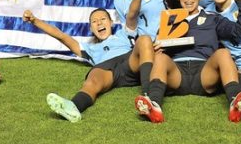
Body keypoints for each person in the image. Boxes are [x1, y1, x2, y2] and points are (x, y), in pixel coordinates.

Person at [133, 0, 241, 123]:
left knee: (223, 53)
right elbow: (159, 51)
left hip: (204, 73)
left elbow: (240, 32)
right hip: (177, 75)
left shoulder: (213, 18)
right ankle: (154, 105)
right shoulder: (169, 21)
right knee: (160, 58)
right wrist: (158, 45)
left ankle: (235, 102)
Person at [24, 8, 154, 123]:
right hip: (107, 70)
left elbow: (134, 16)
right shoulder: (89, 48)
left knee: (145, 39)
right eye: (94, 21)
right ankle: (73, 107)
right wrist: (35, 21)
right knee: (93, 78)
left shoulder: (124, 34)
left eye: (103, 19)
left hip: (129, 61)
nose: (99, 23)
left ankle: (148, 98)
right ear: (91, 29)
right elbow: (61, 36)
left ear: (111, 23)